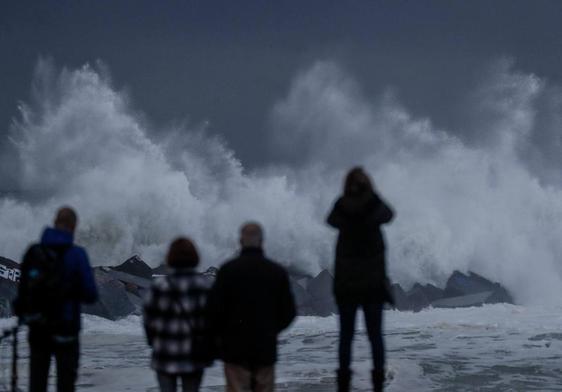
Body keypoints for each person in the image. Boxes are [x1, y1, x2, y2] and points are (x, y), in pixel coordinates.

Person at [14, 207, 98, 392]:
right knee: (65, 385)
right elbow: (91, 295)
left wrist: (27, 316)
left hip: (38, 329)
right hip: (66, 330)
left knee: (37, 383)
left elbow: (21, 293)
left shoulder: (34, 251)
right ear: (74, 226)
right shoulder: (77, 255)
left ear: (54, 222)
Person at [327, 167, 394, 392]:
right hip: (373, 286)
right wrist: (371, 196)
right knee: (375, 336)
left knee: (346, 336)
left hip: (347, 286)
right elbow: (389, 214)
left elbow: (331, 220)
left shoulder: (343, 207)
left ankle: (343, 384)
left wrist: (347, 198)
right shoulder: (373, 208)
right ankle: (377, 385)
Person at [207, 223, 296, 392]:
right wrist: (271, 329)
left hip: (234, 348)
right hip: (265, 348)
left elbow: (213, 311)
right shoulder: (276, 272)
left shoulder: (228, 270)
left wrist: (223, 335)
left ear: (240, 241)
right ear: (262, 242)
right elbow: (289, 312)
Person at [143, 237, 214, 392]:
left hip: (165, 354)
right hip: (194, 355)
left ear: (170, 258)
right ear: (195, 258)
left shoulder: (159, 286)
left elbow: (149, 320)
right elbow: (212, 322)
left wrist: (153, 342)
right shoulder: (205, 286)